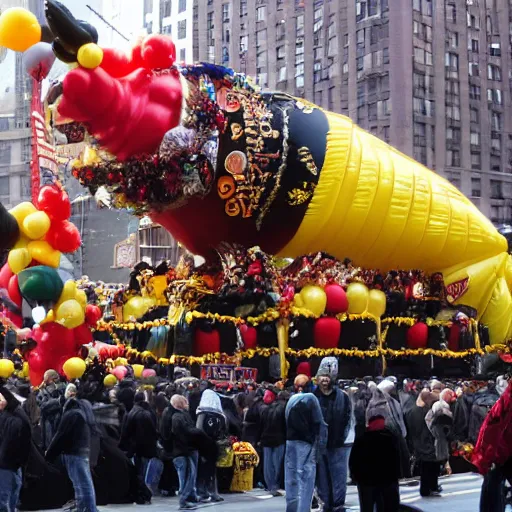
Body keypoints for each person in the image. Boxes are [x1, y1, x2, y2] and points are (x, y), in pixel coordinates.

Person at [45, 385, 98, 512]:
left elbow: (60, 435)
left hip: (74, 452)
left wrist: (49, 454)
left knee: (81, 484)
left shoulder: (72, 413)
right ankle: (86, 508)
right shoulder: (82, 410)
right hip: (81, 451)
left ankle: (88, 509)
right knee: (83, 484)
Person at [314, 358, 352, 512]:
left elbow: (347, 418)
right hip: (319, 444)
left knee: (338, 477)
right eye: (322, 376)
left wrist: (342, 437)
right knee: (322, 477)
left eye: (327, 376)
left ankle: (338, 505)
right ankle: (325, 504)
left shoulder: (342, 397)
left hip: (337, 444)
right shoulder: (313, 396)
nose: (324, 379)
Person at [472, 376, 512, 512]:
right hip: (499, 451)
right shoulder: (505, 401)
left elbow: (489, 428)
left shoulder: (503, 401)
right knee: (492, 489)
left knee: (491, 490)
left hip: (496, 452)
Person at [349, 413, 400, 512]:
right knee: (387, 506)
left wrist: (355, 476)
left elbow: (353, 461)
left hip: (366, 482)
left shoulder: (362, 438)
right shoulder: (391, 437)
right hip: (387, 481)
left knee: (367, 506)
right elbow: (398, 459)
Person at [285, 392, 327, 512]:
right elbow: (319, 422)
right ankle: (303, 509)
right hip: (305, 443)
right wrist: (313, 439)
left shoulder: (292, 401)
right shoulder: (311, 399)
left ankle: (292, 508)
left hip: (291, 441)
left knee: (292, 478)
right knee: (306, 479)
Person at [120, 392, 158, 501]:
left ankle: (143, 493)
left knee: (139, 471)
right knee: (144, 470)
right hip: (147, 447)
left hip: (136, 448)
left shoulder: (132, 413)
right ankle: (144, 492)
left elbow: (126, 432)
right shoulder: (148, 412)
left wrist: (123, 445)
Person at [171, 394, 206, 510]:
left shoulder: (178, 416)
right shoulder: (178, 417)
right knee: (188, 477)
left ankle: (189, 497)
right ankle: (184, 500)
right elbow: (184, 433)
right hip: (184, 450)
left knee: (188, 476)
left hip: (184, 450)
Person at [0, 386, 31, 512]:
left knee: (5, 497)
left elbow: (9, 443)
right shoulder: (15, 414)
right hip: (14, 464)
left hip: (7, 464)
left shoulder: (11, 418)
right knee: (11, 495)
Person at [406, 389, 440, 497]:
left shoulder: (411, 411)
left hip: (417, 442)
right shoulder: (428, 411)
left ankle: (427, 488)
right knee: (430, 466)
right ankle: (430, 487)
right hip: (427, 442)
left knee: (424, 467)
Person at [195, 389, 227, 502]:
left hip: (210, 445)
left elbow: (199, 430)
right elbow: (199, 430)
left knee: (210, 469)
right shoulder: (208, 414)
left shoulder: (205, 414)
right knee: (206, 470)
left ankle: (210, 492)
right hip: (208, 444)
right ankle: (204, 492)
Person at [260, 388, 286, 497]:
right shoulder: (283, 409)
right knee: (277, 464)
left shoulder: (266, 409)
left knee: (268, 464)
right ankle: (275, 486)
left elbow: (261, 425)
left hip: (266, 438)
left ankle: (270, 486)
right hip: (279, 439)